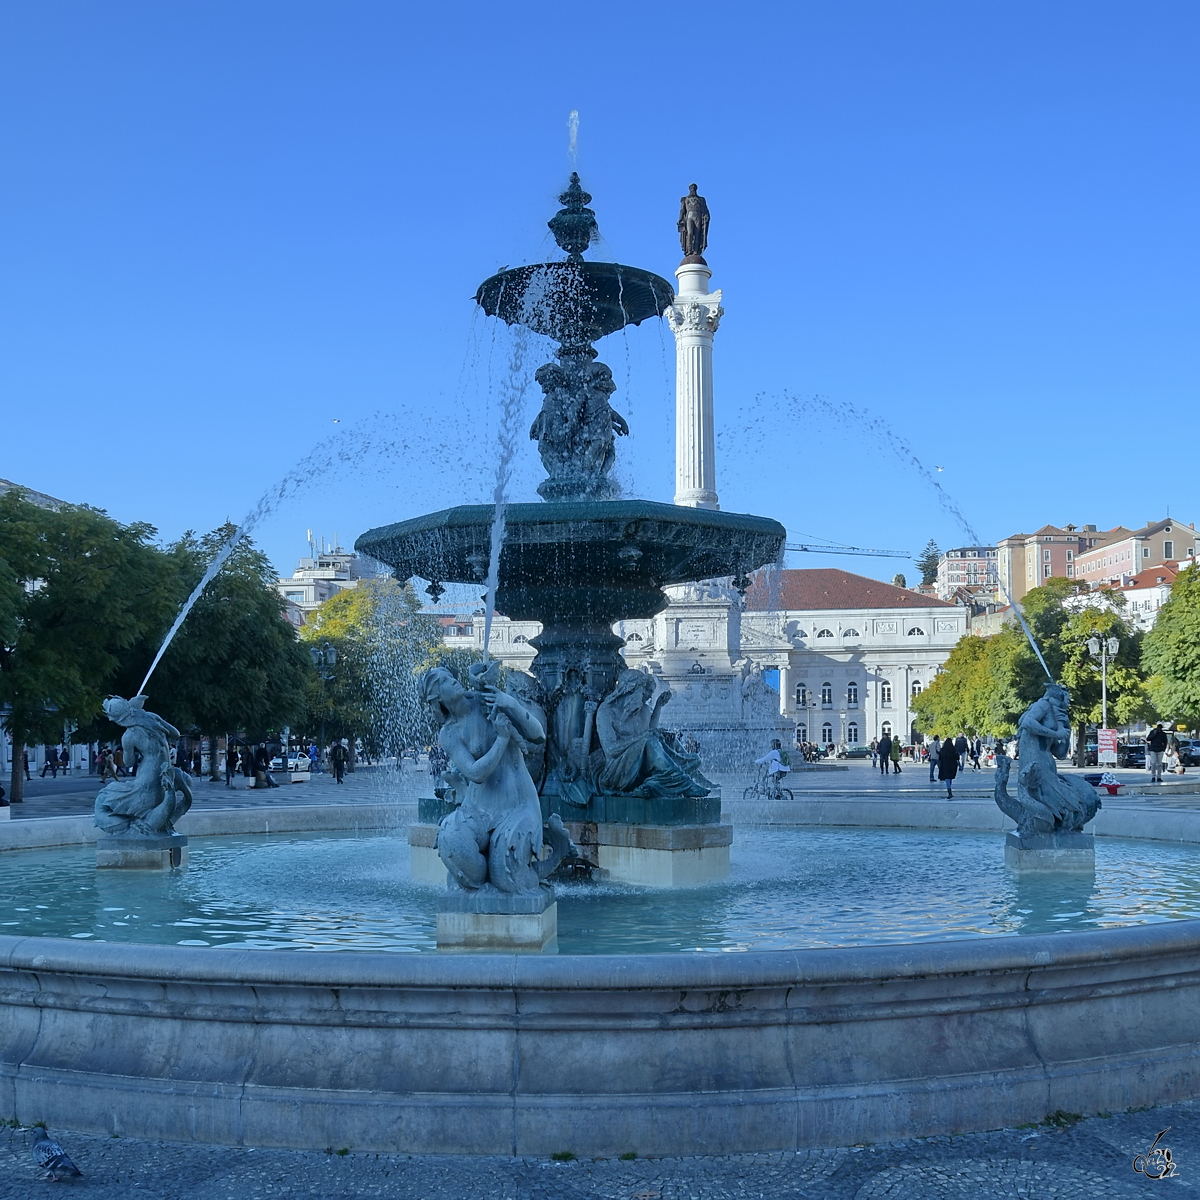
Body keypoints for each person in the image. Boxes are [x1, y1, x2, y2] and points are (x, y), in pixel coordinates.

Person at [938, 735, 961, 799]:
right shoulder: (954, 749)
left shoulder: (943, 750)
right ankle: (950, 790)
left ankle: (949, 791)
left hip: (945, 765)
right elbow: (957, 757)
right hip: (953, 765)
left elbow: (940, 758)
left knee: (947, 778)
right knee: (950, 778)